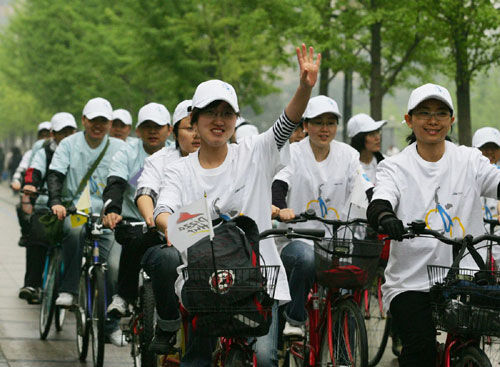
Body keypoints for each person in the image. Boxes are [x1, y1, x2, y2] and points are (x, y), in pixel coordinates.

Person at [153, 44, 320, 366]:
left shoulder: (254, 152)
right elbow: (164, 214)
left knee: (265, 357)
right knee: (197, 358)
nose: (219, 121)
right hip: (203, 282)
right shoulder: (179, 169)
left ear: (235, 119)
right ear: (195, 119)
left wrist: (305, 87)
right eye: (211, 113)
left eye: (226, 113)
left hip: (257, 279)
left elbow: (287, 123)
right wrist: (195, 225)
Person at [366, 83, 500, 367]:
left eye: (441, 113)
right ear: (409, 119)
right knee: (421, 349)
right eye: (424, 113)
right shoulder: (395, 166)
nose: (433, 120)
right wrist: (386, 217)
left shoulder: (470, 160)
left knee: (471, 342)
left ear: (451, 120)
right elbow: (380, 201)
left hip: (465, 275)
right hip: (410, 282)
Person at [271, 95, 373, 337]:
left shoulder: (347, 154)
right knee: (305, 259)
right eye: (318, 122)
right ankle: (295, 318)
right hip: (297, 238)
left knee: (350, 287)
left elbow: (365, 186)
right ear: (306, 126)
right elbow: (279, 184)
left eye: (330, 122)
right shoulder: (293, 152)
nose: (324, 129)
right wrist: (279, 207)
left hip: (336, 241)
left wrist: (381, 209)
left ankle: (344, 349)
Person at [46, 97, 127, 346]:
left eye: (103, 121)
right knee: (72, 233)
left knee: (113, 264)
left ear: (110, 123)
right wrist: (56, 201)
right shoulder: (69, 144)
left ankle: (110, 326)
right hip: (77, 208)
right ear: (84, 120)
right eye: (93, 120)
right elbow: (56, 174)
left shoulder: (120, 148)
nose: (98, 126)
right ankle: (69, 289)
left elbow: (128, 178)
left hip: (107, 213)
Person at [102, 102, 172, 315]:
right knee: (114, 264)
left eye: (158, 126)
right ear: (138, 130)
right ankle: (123, 297)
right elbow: (115, 182)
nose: (153, 131)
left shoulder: (176, 153)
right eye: (147, 126)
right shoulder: (126, 152)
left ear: (169, 129)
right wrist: (112, 210)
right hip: (135, 222)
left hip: (170, 223)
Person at [18, 112, 77, 303]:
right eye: (62, 132)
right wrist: (31, 185)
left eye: (70, 131)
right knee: (37, 235)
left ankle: (73, 288)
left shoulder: (82, 151)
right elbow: (34, 170)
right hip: (46, 205)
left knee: (80, 239)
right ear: (53, 133)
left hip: (76, 208)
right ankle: (32, 284)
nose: (66, 136)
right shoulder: (44, 152)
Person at [472, 127, 500, 266]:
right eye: (484, 148)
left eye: (494, 148)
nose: (489, 152)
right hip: (473, 240)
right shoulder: (466, 176)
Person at [347, 113, 387, 184]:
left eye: (378, 132)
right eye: (371, 134)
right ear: (359, 139)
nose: (377, 138)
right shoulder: (348, 168)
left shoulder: (385, 164)